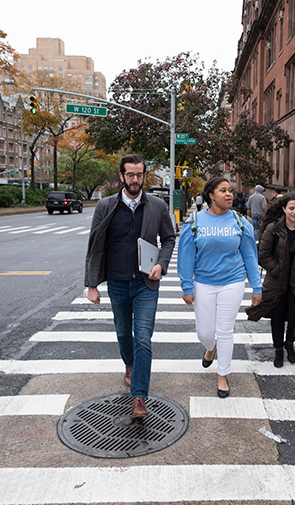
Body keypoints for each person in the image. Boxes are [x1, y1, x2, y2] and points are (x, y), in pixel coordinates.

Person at [84, 154, 176, 419]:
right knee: (124, 332)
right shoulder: (105, 206)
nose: (136, 180)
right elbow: (95, 245)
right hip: (117, 282)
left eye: (140, 175)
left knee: (143, 338)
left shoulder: (157, 206)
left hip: (146, 283)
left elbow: (169, 239)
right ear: (121, 176)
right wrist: (92, 284)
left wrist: (161, 264)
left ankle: (139, 398)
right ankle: (129, 365)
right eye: (131, 175)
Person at [178, 177, 262, 398]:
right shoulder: (194, 222)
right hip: (203, 282)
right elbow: (186, 258)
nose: (229, 194)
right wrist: (187, 286)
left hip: (232, 282)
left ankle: (223, 375)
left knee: (225, 330)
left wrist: (256, 286)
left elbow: (250, 256)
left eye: (230, 190)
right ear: (210, 195)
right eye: (223, 190)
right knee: (204, 332)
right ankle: (210, 346)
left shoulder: (240, 221)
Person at [247, 192, 295, 367]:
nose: (294, 212)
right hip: (276, 281)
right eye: (291, 208)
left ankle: (289, 343)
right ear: (284, 209)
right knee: (277, 317)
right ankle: (278, 350)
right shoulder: (273, 228)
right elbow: (263, 253)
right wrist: (276, 269)